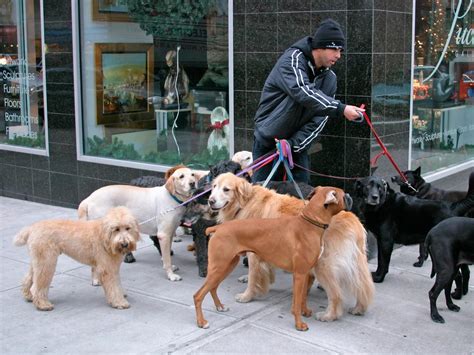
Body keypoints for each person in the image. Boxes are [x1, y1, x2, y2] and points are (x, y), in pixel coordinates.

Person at [252, 19, 365, 184]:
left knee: (302, 204)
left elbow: (318, 121)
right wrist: (341, 109)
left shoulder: (330, 79)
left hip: (296, 149)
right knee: (261, 203)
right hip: (267, 142)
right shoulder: (292, 60)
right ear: (319, 46)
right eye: (334, 49)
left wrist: (293, 144)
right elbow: (303, 91)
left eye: (340, 50)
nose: (338, 55)